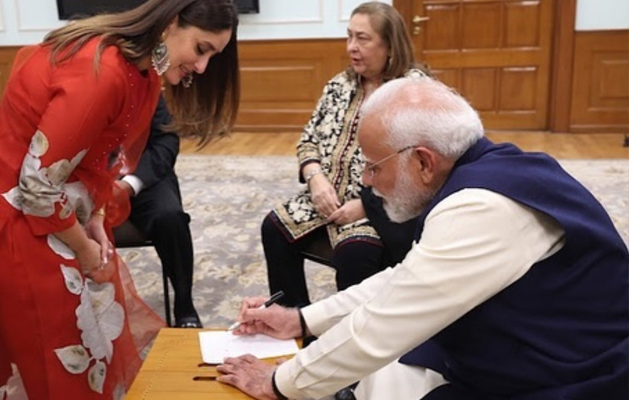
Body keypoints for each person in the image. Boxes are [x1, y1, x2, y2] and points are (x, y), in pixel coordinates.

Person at [216, 76, 629, 400]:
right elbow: (407, 278)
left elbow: (384, 325)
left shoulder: (482, 208)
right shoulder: (486, 170)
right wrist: (301, 319)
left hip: (572, 376)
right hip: (529, 344)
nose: (365, 181)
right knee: (384, 368)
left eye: (374, 166)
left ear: (423, 162)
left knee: (383, 358)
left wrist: (279, 382)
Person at [0, 0, 239, 398]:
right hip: (17, 225)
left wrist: (96, 216)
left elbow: (98, 159)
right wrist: (83, 247)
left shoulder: (143, 70)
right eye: (201, 49)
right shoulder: (102, 72)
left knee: (93, 343)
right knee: (62, 359)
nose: (202, 68)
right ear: (171, 24)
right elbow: (36, 186)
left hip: (57, 216)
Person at [262, 1, 422, 309]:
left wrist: (365, 205)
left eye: (363, 39)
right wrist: (315, 178)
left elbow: (419, 169)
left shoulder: (412, 92)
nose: (352, 47)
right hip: (325, 197)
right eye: (349, 36)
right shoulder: (340, 84)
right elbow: (308, 139)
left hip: (377, 208)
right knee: (274, 227)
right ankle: (294, 325)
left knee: (356, 253)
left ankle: (350, 340)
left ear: (390, 45)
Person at [116, 94, 202, 329]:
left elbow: (166, 142)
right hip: (89, 183)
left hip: (143, 178)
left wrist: (130, 184)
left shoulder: (144, 84)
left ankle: (184, 304)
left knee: (171, 217)